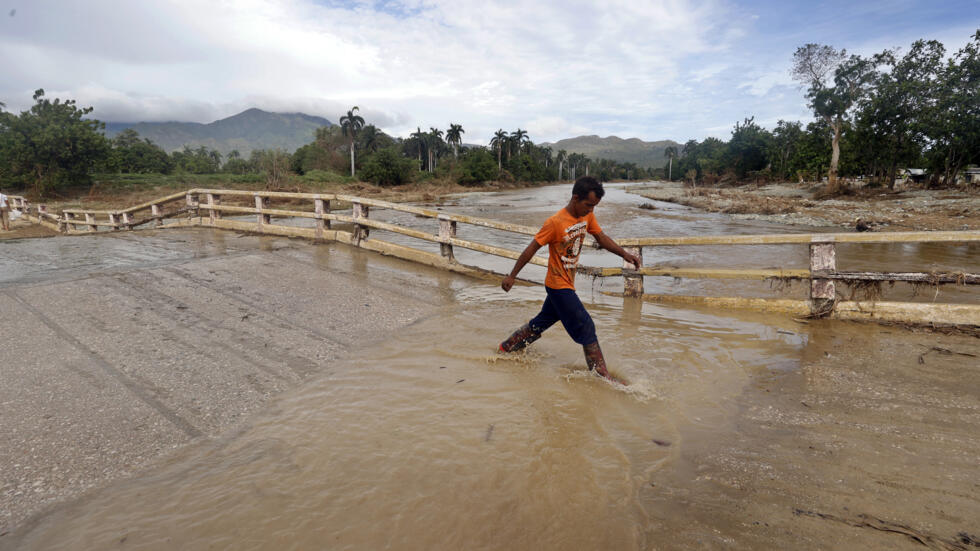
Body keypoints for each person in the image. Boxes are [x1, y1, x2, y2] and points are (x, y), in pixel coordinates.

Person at [498, 176, 641, 383]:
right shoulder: (555, 222)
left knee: (541, 322)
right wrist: (512, 275)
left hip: (566, 283)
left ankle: (506, 348)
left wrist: (623, 254)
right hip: (558, 285)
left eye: (594, 207)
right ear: (575, 198)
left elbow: (601, 238)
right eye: (588, 205)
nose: (591, 210)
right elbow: (532, 248)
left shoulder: (587, 217)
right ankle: (601, 376)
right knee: (586, 326)